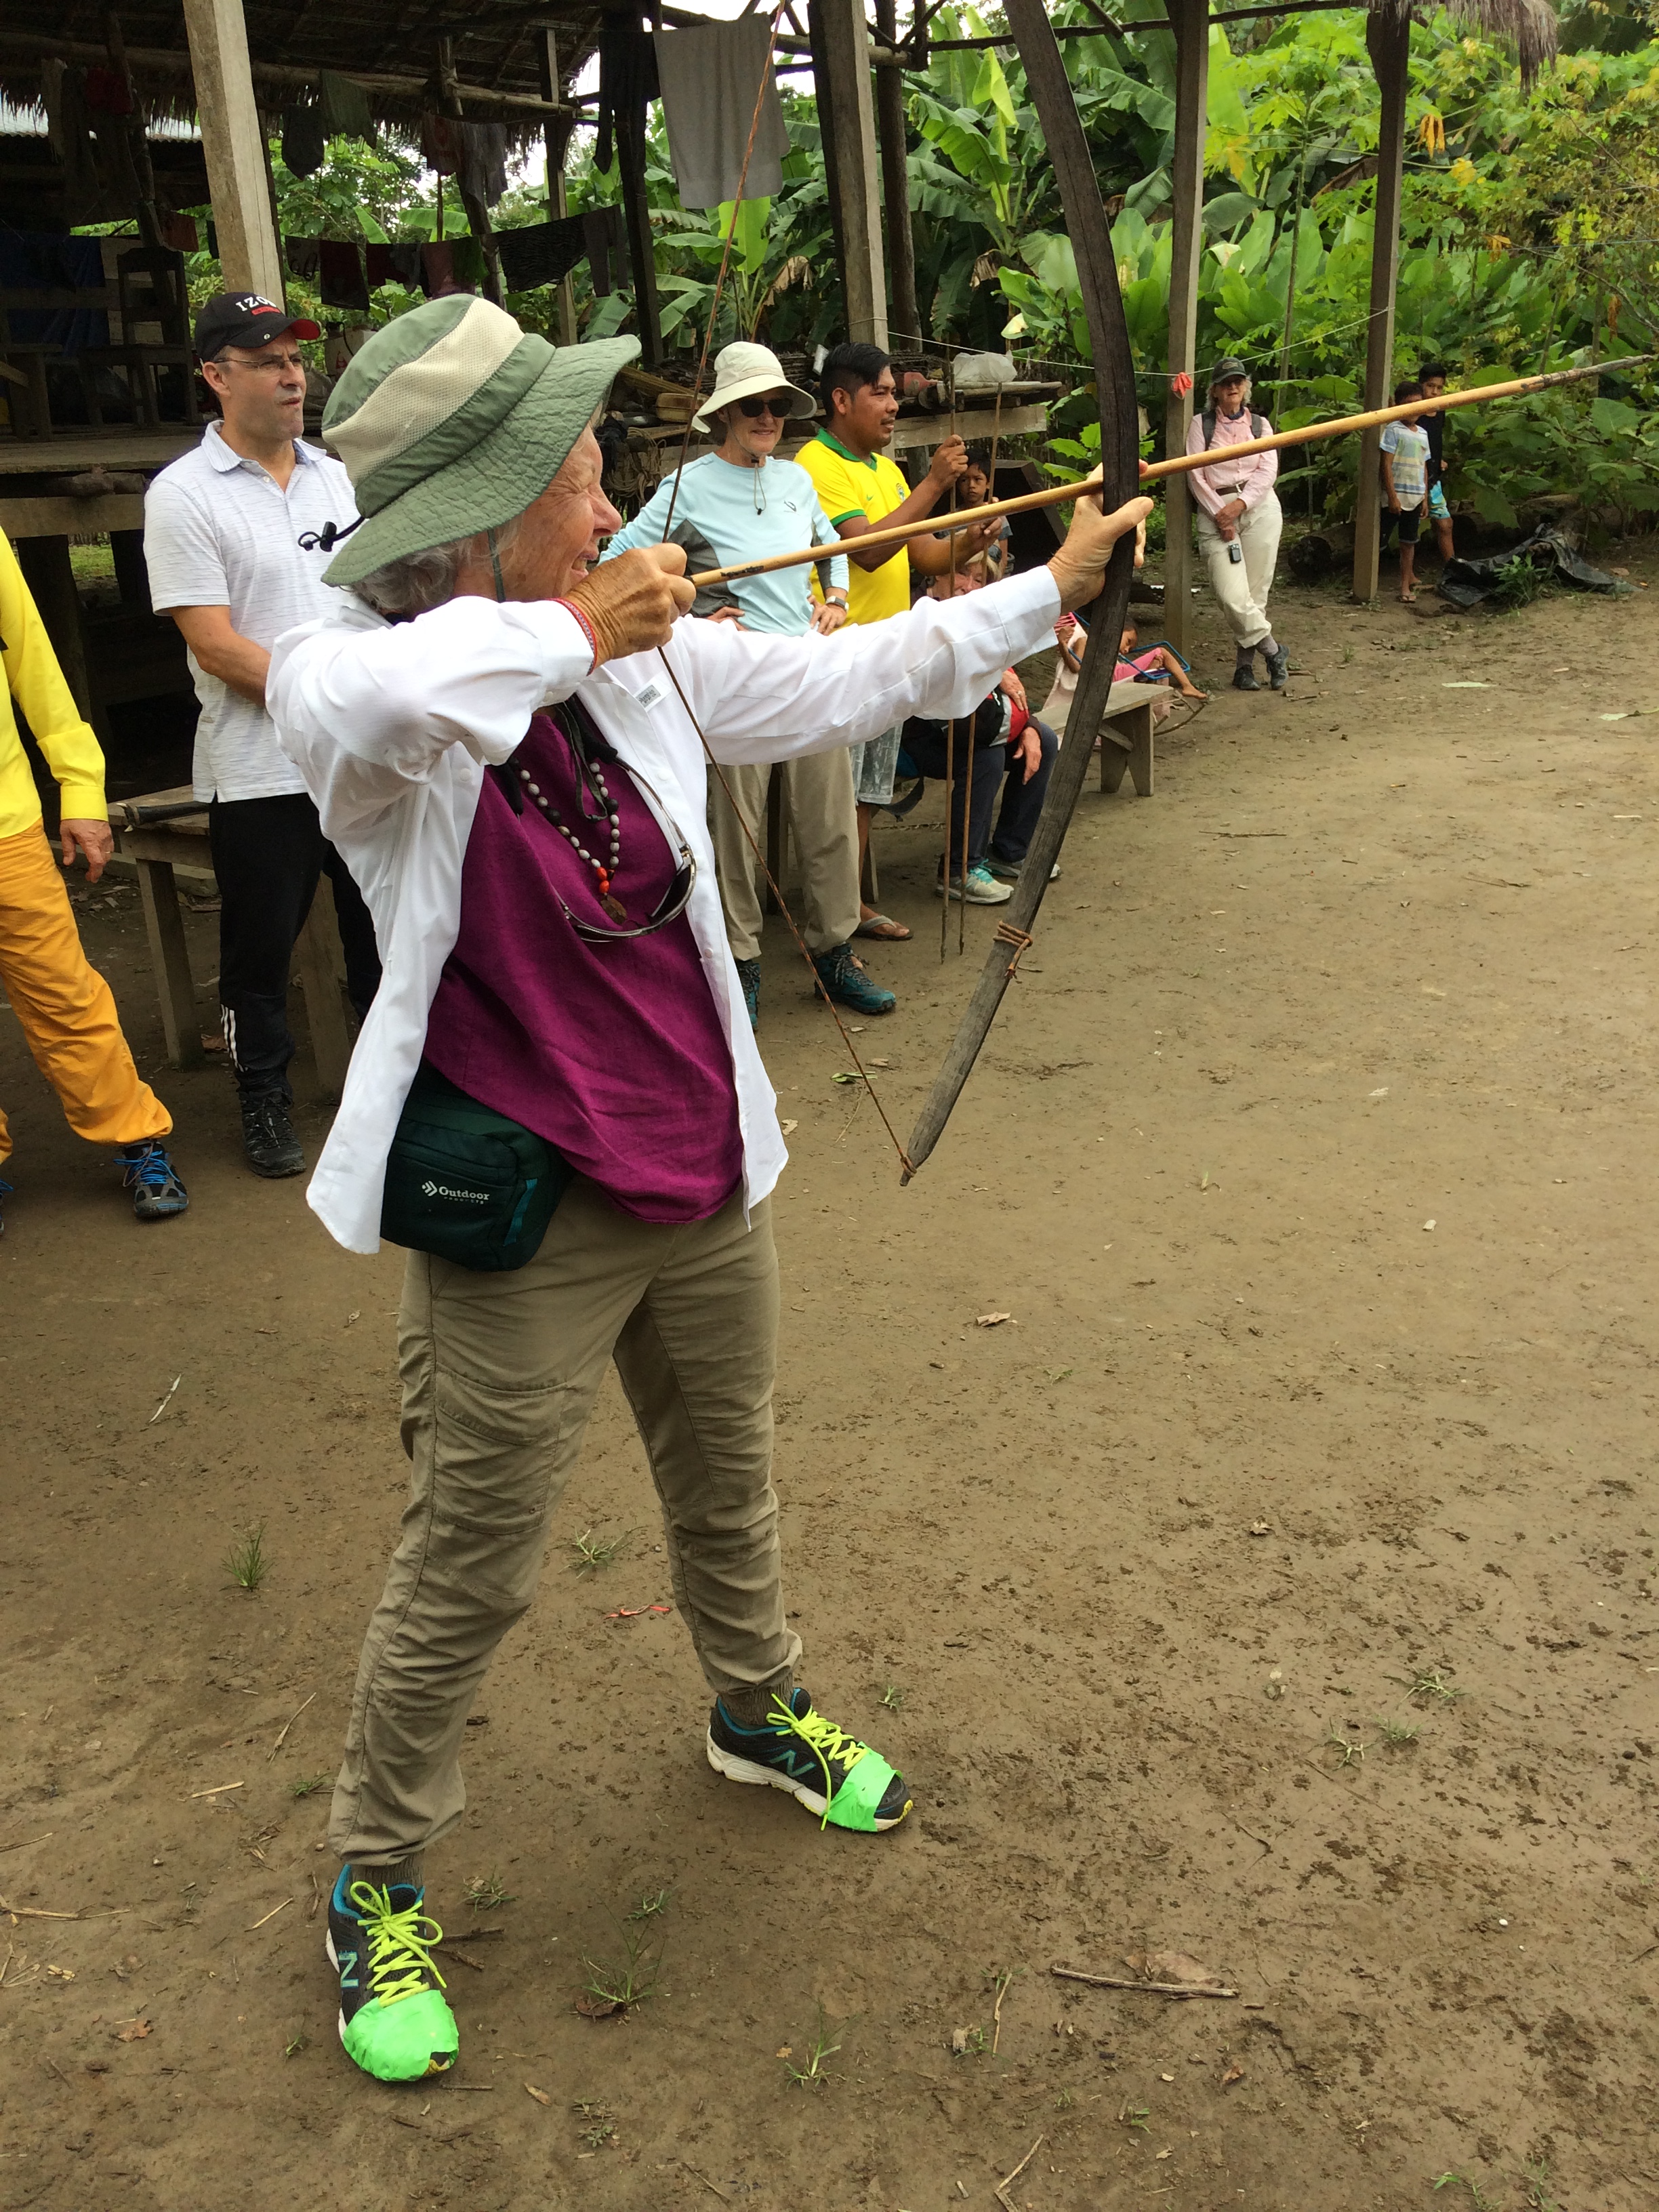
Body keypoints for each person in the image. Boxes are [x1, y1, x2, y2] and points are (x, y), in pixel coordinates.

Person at [264, 293, 1149, 2086]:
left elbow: (841, 679)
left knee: (727, 1479)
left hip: (696, 1162)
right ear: (483, 519)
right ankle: (374, 1872)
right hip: (525, 1207)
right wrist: (576, 625)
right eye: (582, 487)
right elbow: (374, 691)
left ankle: (756, 1709)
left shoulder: (643, 661)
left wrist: (1046, 590)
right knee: (471, 1556)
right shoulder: (359, 688)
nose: (616, 515)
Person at [144, 291, 382, 1180]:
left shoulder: (340, 479)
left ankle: (393, 1089)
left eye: (295, 359)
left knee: (382, 931)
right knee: (259, 953)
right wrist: (327, 696)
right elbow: (214, 644)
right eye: (268, 361)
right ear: (216, 375)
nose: (293, 377)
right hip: (260, 769)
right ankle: (264, 1098)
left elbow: (381, 601)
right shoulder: (182, 495)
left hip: (359, 759)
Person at [601, 342, 890, 1025]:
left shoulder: (795, 479)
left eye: (777, 406)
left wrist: (837, 599)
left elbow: (831, 547)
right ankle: (741, 962)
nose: (767, 418)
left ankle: (834, 952)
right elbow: (619, 560)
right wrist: (689, 613)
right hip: (736, 677)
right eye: (752, 406)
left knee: (829, 817)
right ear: (724, 413)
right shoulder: (689, 486)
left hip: (805, 667)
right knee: (738, 829)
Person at [0, 534, 188, 1229]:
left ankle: (137, 1139)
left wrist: (80, 788)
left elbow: (36, 668)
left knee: (64, 994)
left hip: (7, 826)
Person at [796, 342, 999, 939]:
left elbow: (922, 556)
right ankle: (834, 913)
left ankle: (851, 903)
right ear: (841, 400)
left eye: (893, 393)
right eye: (880, 393)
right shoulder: (816, 464)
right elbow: (866, 551)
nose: (893, 406)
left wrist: (973, 541)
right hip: (839, 654)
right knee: (840, 791)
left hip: (885, 653)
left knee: (865, 791)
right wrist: (934, 483)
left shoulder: (885, 471)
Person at [899, 569, 1059, 902]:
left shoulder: (982, 618)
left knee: (1043, 738)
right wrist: (994, 673)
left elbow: (1009, 695)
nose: (969, 587)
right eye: (961, 573)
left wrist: (1028, 725)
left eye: (979, 580)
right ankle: (960, 869)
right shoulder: (917, 615)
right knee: (986, 757)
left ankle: (1009, 850)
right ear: (935, 576)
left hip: (971, 727)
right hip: (917, 736)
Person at [1187, 357, 1289, 691]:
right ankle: (1273, 651)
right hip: (1215, 509)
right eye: (1226, 383)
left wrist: (1240, 506)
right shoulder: (1201, 425)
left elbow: (1268, 470)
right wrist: (1222, 514)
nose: (1233, 387)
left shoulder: (1260, 425)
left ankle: (1244, 669)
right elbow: (1195, 474)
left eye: (1238, 382)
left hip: (1259, 507)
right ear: (1215, 391)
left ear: (1246, 387)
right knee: (1231, 595)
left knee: (1255, 593)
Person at [1379, 382, 1431, 604]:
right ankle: (1365, 580)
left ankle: (1405, 585)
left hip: (1416, 496)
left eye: (1418, 403)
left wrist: (1425, 497)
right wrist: (1392, 496)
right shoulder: (1393, 429)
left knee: (1409, 542)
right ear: (1399, 405)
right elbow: (1386, 463)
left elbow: (1423, 466)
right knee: (1380, 540)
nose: (1414, 408)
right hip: (1396, 496)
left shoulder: (1423, 433)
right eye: (1409, 403)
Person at [1417, 362, 1456, 564]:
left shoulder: (1440, 410)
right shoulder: (1412, 412)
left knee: (1445, 523)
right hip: (1414, 476)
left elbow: (1434, 438)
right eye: (1430, 386)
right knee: (1411, 527)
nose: (1435, 392)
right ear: (1421, 385)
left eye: (1439, 388)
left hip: (1433, 475)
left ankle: (1452, 567)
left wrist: (1437, 458)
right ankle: (1408, 574)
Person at [1118, 623, 1205, 699]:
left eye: (1130, 649)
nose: (1126, 650)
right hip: (1117, 676)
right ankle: (1187, 686)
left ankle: (1152, 669)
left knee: (1159, 665)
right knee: (1161, 652)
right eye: (1128, 641)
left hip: (1118, 675)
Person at [960, 449, 1011, 576]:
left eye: (977, 479)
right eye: (964, 480)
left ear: (988, 483)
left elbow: (1003, 560)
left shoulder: (996, 516)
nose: (971, 485)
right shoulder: (950, 520)